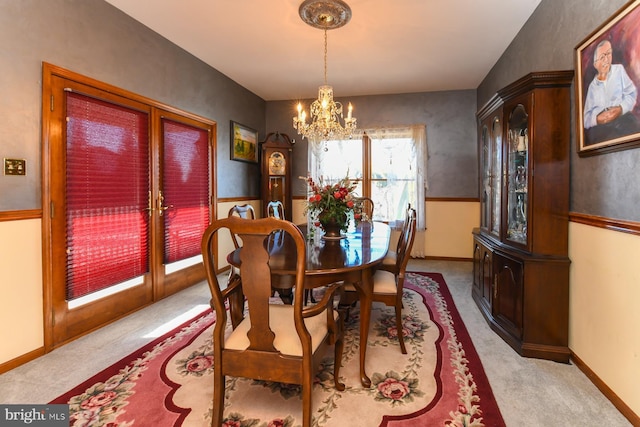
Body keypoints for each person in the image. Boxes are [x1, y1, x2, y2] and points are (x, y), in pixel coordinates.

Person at [583, 39, 640, 145]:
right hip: (602, 126)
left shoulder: (619, 70)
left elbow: (632, 93)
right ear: (596, 64)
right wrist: (597, 119)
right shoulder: (592, 87)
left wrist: (621, 108)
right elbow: (585, 119)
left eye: (608, 54)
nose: (606, 60)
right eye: (602, 57)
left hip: (622, 117)